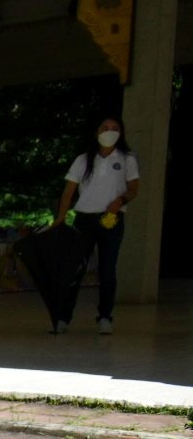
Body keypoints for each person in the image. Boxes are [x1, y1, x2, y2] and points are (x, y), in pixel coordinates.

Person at [55, 116, 140, 335]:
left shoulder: (127, 159)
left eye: (115, 128)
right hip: (84, 219)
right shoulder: (83, 159)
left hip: (111, 219)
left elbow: (133, 188)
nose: (110, 131)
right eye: (105, 127)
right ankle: (62, 317)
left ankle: (105, 316)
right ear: (96, 132)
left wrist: (121, 200)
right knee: (75, 269)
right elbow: (68, 191)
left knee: (107, 269)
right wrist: (61, 217)